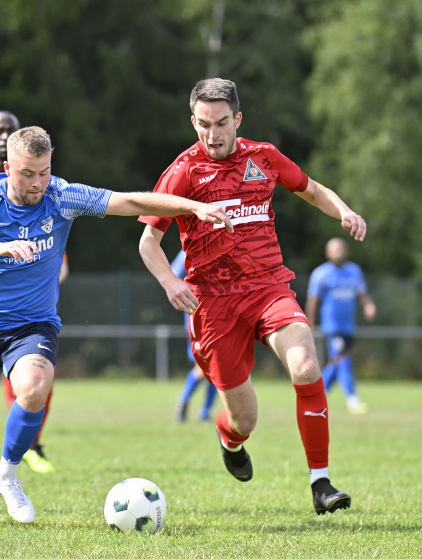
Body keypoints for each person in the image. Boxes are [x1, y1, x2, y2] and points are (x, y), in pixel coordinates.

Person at [0, 126, 231, 526]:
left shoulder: (60, 196)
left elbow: (129, 200)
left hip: (34, 323)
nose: (37, 182)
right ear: (8, 167)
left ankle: (8, 476)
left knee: (32, 389)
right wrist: (1, 247)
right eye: (28, 173)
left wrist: (191, 207)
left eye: (44, 172)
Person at [138, 78, 368, 515]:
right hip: (212, 304)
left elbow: (312, 189)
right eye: (203, 125)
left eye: (222, 123)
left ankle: (321, 482)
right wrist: (172, 282)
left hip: (268, 288)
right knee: (244, 420)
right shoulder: (183, 171)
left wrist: (344, 211)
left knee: (305, 364)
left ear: (237, 119)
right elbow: (149, 241)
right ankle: (230, 440)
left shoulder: (263, 157)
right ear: (193, 122)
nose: (213, 134)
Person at [0, 110, 58, 474]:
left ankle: (28, 446)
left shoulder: (35, 179)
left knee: (36, 377)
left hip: (30, 295)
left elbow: (47, 220)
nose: (3, 135)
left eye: (10, 129)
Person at [305, 238, 376, 415]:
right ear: (327, 253)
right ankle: (352, 399)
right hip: (331, 326)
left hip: (348, 326)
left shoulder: (354, 271)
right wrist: (309, 326)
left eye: (341, 249)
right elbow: (312, 303)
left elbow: (362, 294)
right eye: (334, 249)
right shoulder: (320, 274)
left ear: (347, 251)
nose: (338, 252)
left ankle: (319, 396)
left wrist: (368, 306)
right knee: (342, 358)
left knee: (337, 361)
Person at [171, 250, 217, 423]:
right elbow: (173, 275)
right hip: (197, 317)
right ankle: (187, 400)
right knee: (208, 367)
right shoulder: (190, 249)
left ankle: (203, 412)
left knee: (217, 367)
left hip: (220, 316)